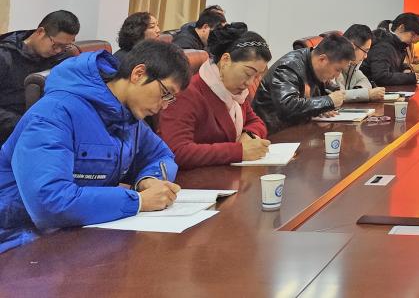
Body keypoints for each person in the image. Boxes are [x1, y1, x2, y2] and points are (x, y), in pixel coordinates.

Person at [0, 40, 186, 253]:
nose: (164, 105)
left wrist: (148, 179)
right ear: (138, 74)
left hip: (76, 235)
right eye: (165, 93)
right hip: (16, 240)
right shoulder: (54, 113)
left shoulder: (128, 118)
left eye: (171, 99)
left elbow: (161, 155)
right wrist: (137, 201)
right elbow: (48, 201)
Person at [159, 23, 272, 169]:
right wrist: (239, 151)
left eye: (256, 76)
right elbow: (178, 151)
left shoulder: (235, 92)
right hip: (196, 179)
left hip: (224, 174)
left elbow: (256, 122)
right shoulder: (187, 93)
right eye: (248, 73)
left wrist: (248, 134)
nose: (250, 83)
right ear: (225, 60)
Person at [0, 10, 80, 145]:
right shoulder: (5, 56)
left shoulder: (61, 58)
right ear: (40, 32)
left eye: (64, 46)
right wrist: (26, 123)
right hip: (11, 133)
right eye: (56, 45)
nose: (58, 50)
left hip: (45, 128)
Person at [252, 33, 355, 133]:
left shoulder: (314, 64)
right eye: (337, 70)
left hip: (297, 128)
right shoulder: (288, 68)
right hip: (273, 133)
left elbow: (329, 90)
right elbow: (288, 107)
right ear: (322, 59)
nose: (337, 75)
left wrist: (323, 107)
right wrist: (328, 101)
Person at [361, 13, 419, 87]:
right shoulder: (383, 45)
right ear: (401, 27)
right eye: (412, 34)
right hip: (371, 89)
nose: (413, 39)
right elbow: (381, 77)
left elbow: (394, 64)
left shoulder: (397, 43)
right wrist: (409, 77)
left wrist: (405, 69)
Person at [336, 24, 386, 102]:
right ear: (352, 46)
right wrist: (367, 94)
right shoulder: (332, 61)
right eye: (365, 51)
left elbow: (364, 81)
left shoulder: (352, 64)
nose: (365, 56)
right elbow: (336, 96)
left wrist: (357, 91)